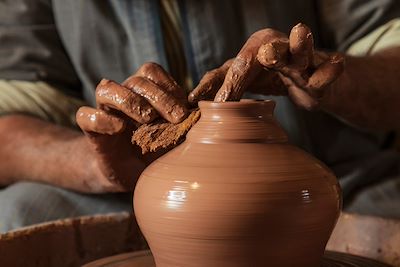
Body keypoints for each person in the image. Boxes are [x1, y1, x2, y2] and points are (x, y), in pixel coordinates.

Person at [0, 0, 400, 233]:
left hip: (331, 179)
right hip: (129, 194)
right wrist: (92, 164)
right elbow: (8, 124)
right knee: (19, 213)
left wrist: (329, 80)